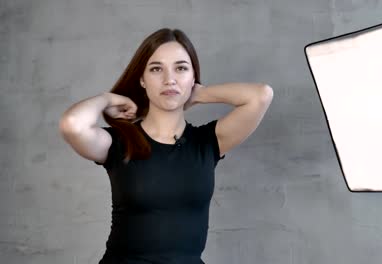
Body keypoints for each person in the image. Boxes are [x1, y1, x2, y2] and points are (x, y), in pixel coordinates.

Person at [59, 28, 273, 264]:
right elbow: (72, 125)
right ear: (142, 79)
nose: (169, 79)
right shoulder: (120, 142)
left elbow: (261, 96)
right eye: (156, 69)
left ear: (193, 77)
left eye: (181, 68)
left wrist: (202, 94)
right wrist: (107, 99)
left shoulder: (208, 142)